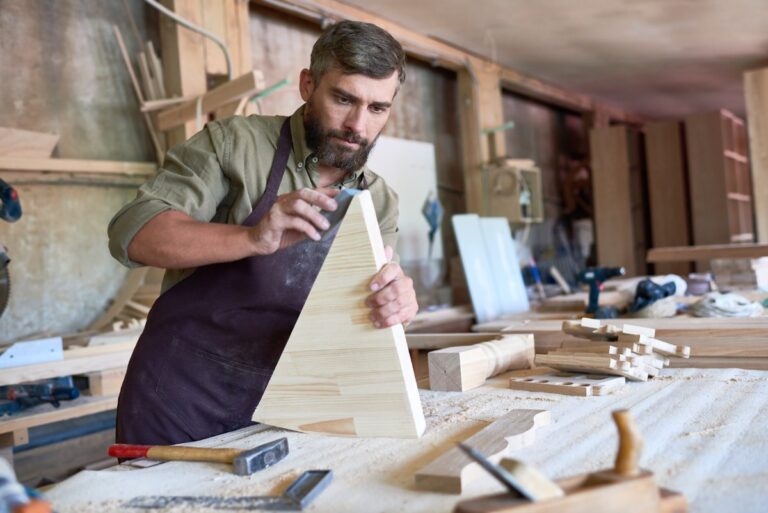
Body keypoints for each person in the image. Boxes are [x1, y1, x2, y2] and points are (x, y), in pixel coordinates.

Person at [107, 20, 418, 445]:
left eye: (377, 108)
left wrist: (394, 302)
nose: (357, 126)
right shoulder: (235, 144)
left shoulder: (379, 200)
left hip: (293, 407)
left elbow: (364, 311)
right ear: (308, 85)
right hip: (182, 400)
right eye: (344, 99)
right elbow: (134, 232)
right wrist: (251, 240)